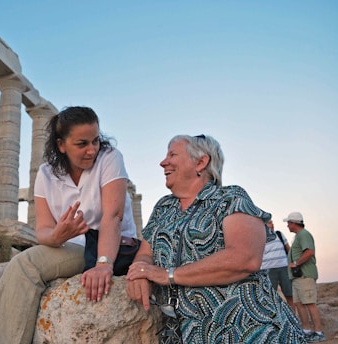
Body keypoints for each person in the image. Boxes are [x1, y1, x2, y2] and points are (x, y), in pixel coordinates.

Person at [0, 106, 138, 344]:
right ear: (61, 145)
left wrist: (104, 265)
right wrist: (58, 236)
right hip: (72, 247)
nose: (92, 150)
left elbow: (113, 217)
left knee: (26, 263)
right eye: (82, 144)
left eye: (95, 141)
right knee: (25, 263)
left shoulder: (110, 158)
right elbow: (44, 232)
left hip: (110, 245)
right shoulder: (46, 174)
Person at [126, 134, 305, 343]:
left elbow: (244, 258)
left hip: (248, 329)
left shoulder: (230, 199)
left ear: (201, 162)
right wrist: (139, 270)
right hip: (188, 333)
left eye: (172, 154)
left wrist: (168, 275)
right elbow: (146, 252)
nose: (163, 162)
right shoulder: (163, 208)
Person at [285, 211, 326, 342]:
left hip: (305, 276)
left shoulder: (304, 235)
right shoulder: (299, 236)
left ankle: (319, 333)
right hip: (298, 278)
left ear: (293, 223)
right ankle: (306, 331)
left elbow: (309, 252)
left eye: (288, 223)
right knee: (299, 303)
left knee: (309, 303)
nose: (287, 226)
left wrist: (296, 263)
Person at [261, 219, 294, 307]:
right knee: (270, 297)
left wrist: (292, 263)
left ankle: (293, 317)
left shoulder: (279, 234)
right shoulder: (259, 238)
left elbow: (289, 249)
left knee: (289, 295)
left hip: (284, 268)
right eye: (269, 223)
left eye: (272, 222)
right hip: (268, 270)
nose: (272, 224)